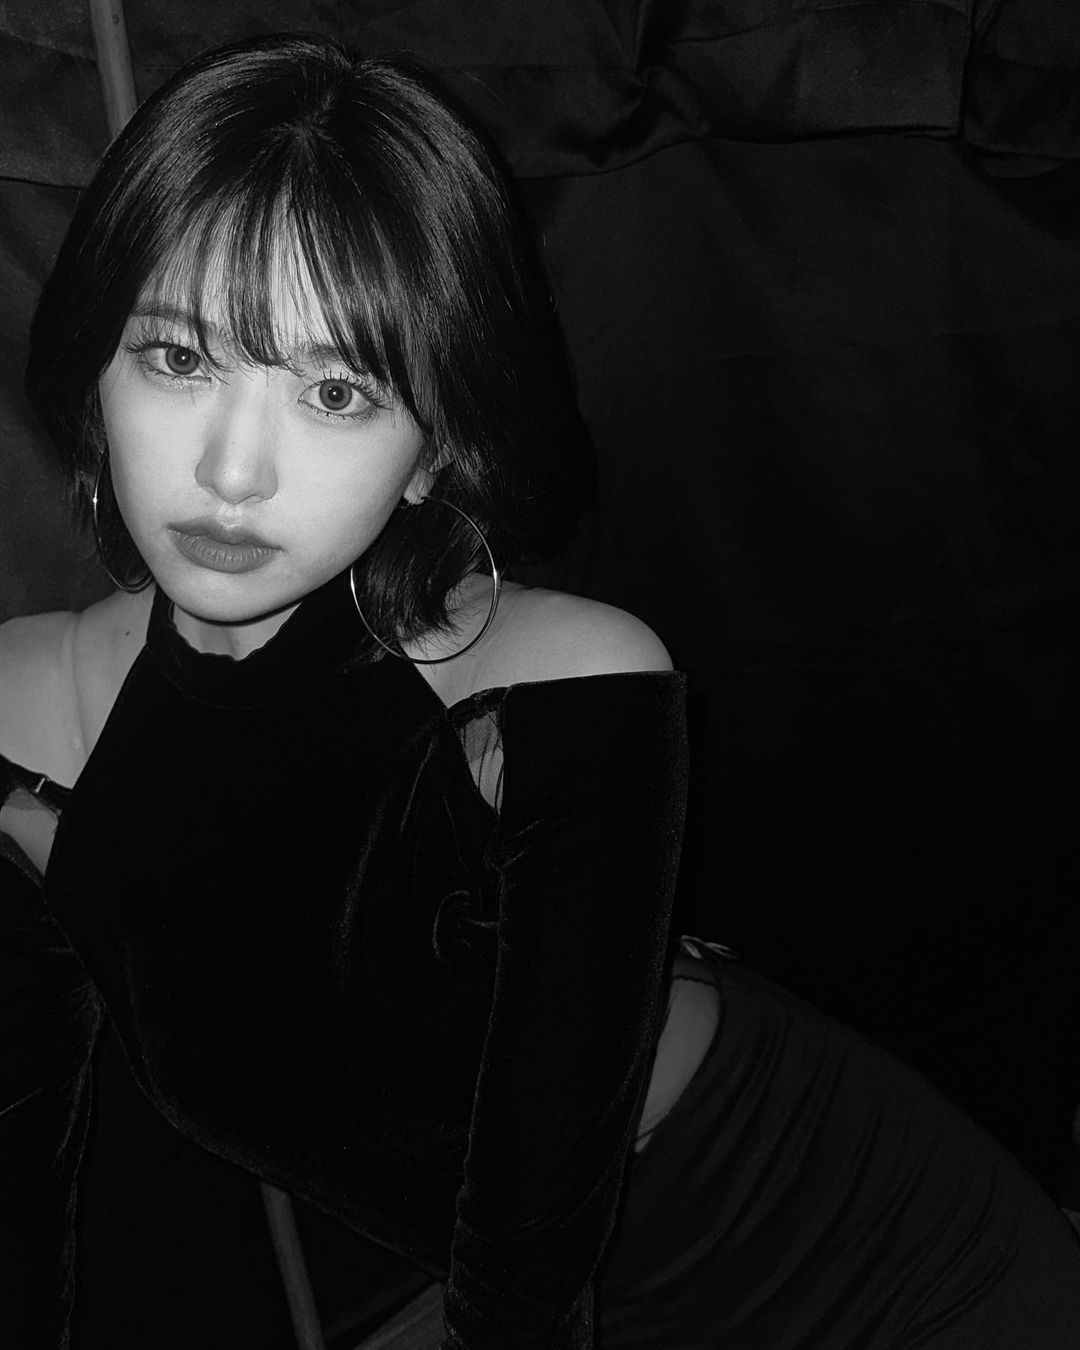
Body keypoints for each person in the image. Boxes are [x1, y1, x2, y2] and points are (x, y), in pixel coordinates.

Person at [1, 31, 1079, 1350]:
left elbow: (528, 1275)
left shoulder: (558, 683)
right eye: (179, 360)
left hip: (860, 1252)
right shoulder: (20, 712)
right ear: (95, 373)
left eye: (335, 391)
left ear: (431, 451)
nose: (233, 471)